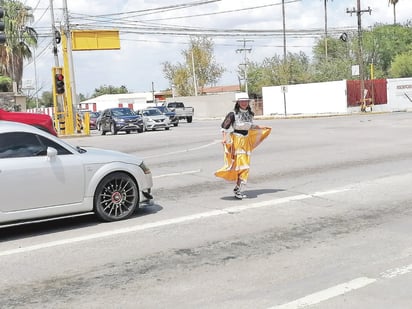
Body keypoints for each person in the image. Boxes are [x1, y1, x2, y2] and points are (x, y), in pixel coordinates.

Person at [215, 97, 271, 199]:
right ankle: (238, 189)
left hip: (246, 141)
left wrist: (261, 127)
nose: (244, 103)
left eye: (246, 101)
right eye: (242, 101)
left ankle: (238, 188)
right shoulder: (233, 114)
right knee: (242, 165)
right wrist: (224, 139)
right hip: (236, 140)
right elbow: (224, 127)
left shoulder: (250, 114)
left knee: (244, 165)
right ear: (238, 102)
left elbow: (250, 127)